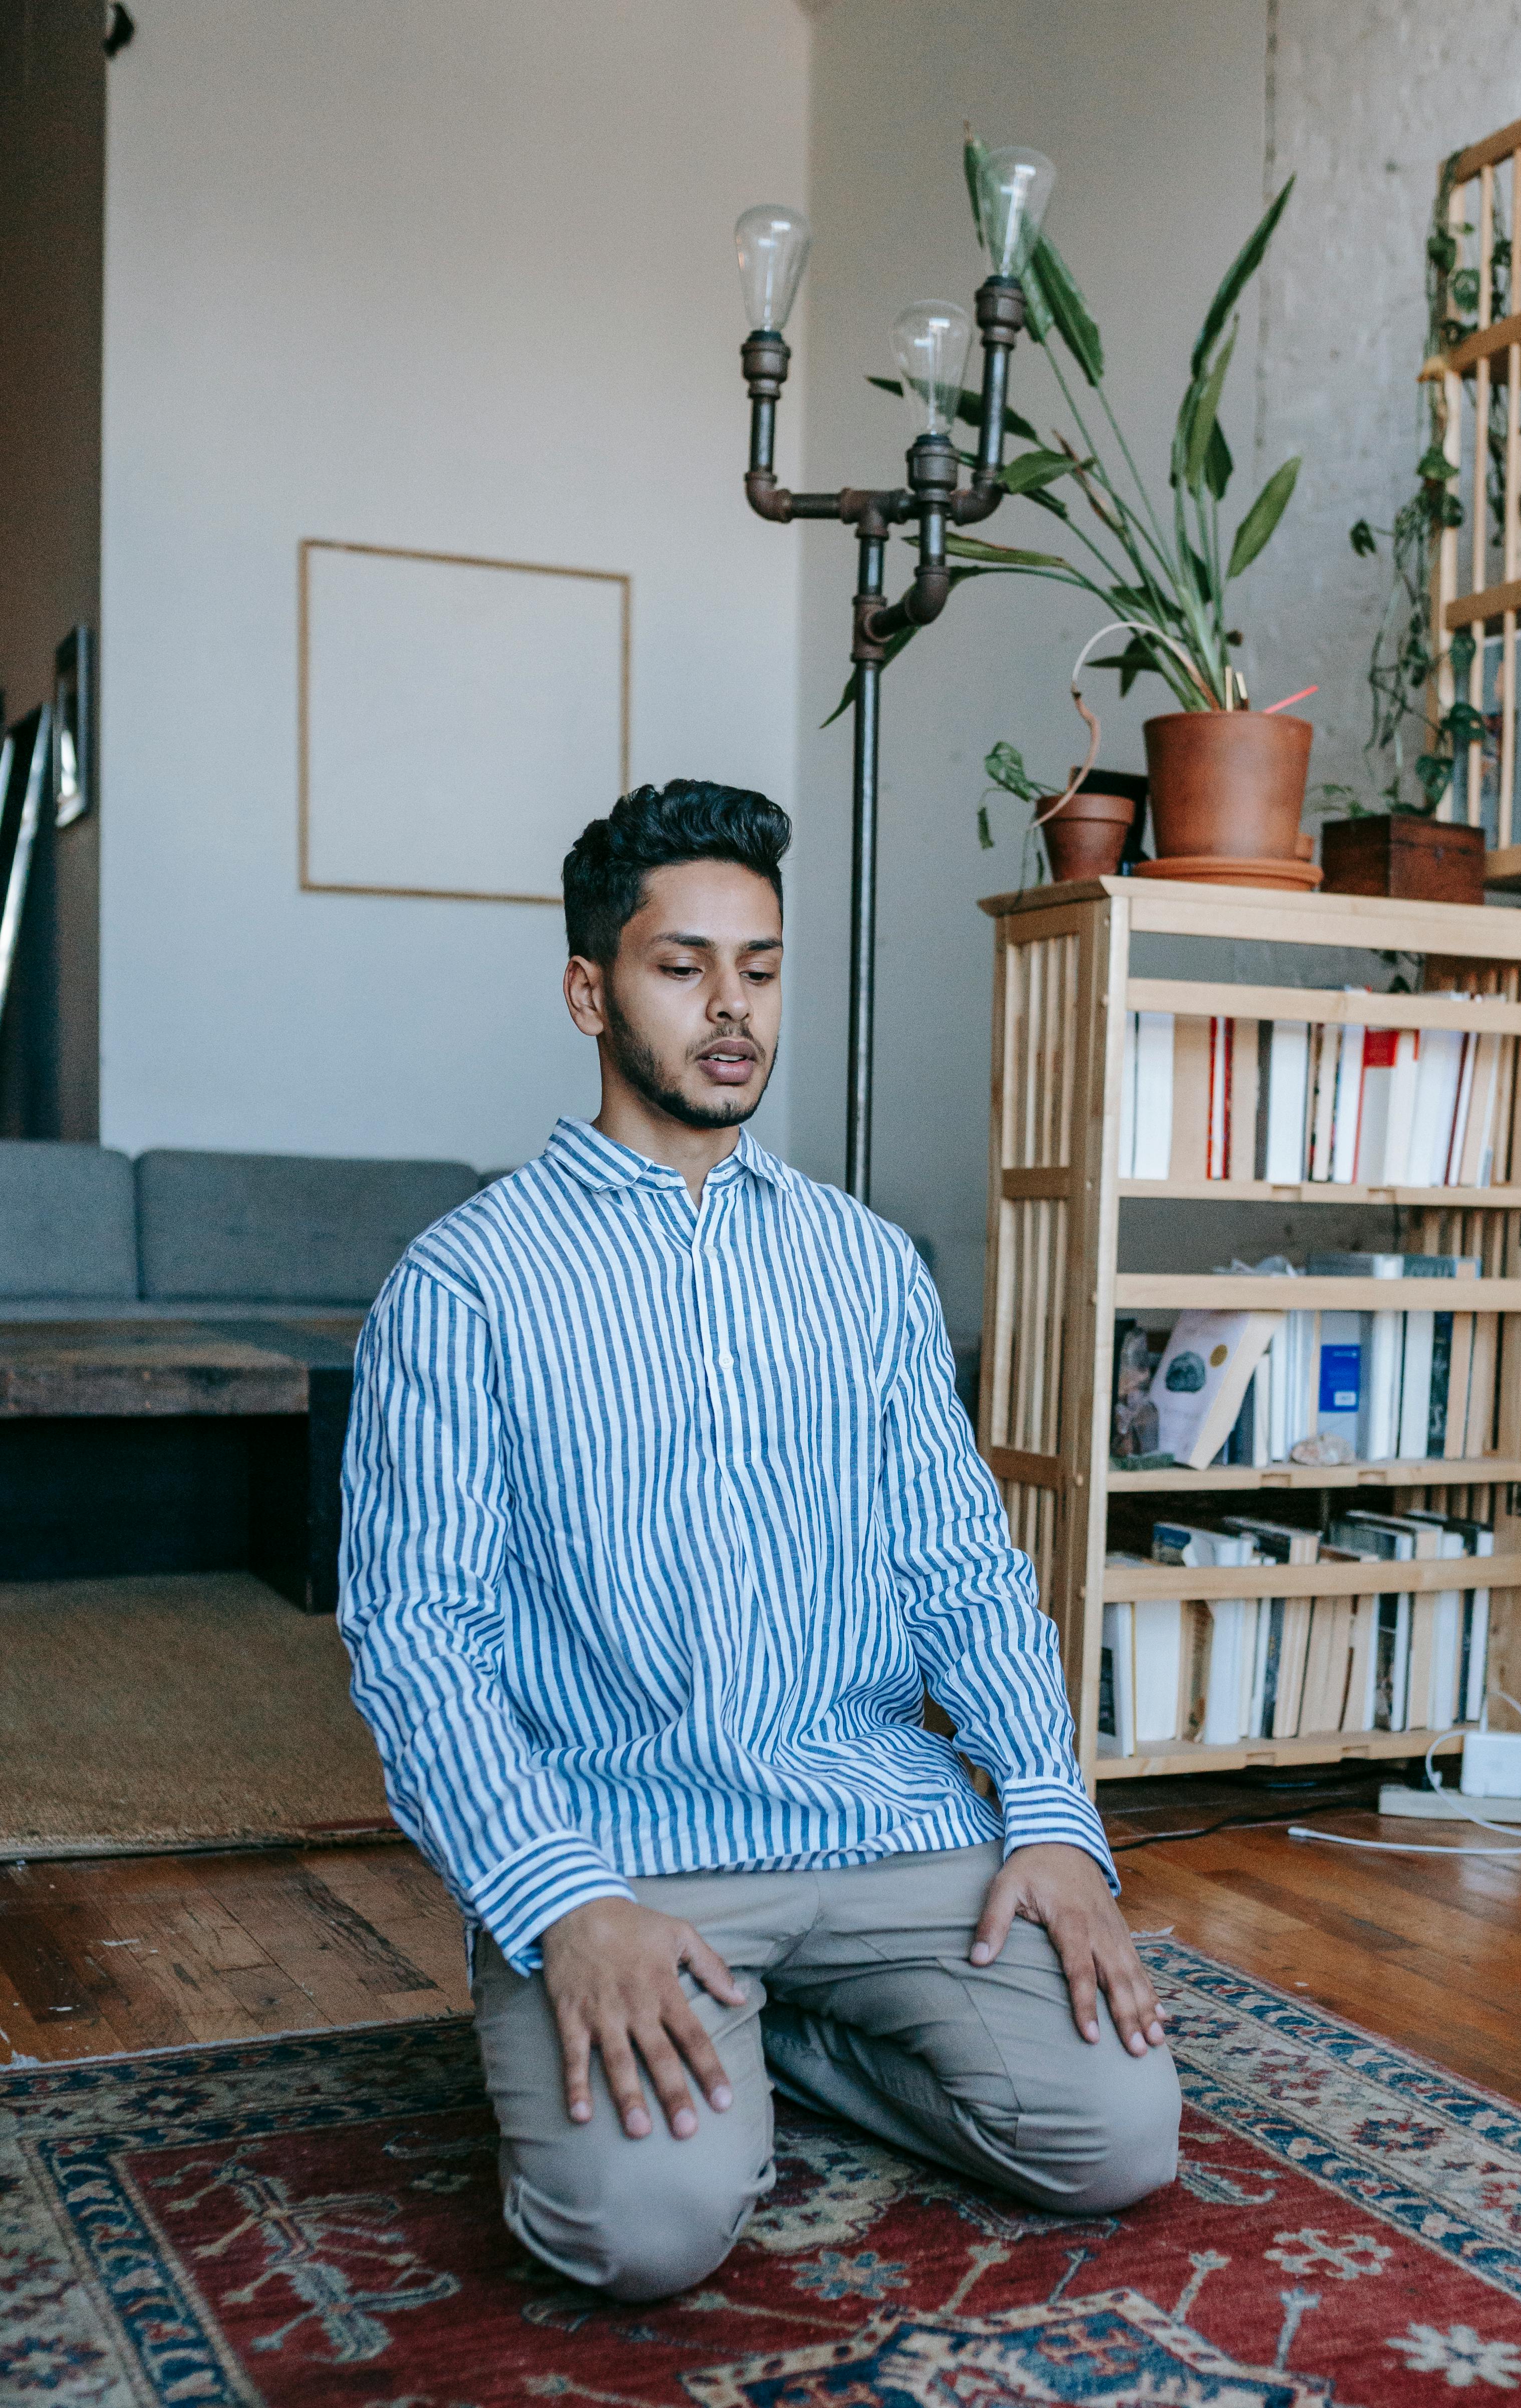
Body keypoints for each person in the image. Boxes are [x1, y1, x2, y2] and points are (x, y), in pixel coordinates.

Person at [339, 778, 1178, 2299]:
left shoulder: (865, 1266)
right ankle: (677, 2031)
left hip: (883, 1824)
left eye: (764, 967)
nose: (734, 1010)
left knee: (1119, 2138)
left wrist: (1052, 1819)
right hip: (622, 1852)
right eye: (685, 967)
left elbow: (957, 1563)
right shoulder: (463, 1286)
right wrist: (558, 1902)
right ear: (593, 990)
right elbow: (417, 1637)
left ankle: (778, 2034)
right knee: (642, 2233)